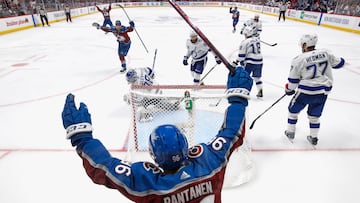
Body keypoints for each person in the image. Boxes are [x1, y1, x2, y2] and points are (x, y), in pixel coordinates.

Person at [61, 66, 253, 202]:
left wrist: (82, 138)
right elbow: (230, 133)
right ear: (185, 145)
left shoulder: (148, 185)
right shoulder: (211, 161)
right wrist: (238, 100)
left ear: (154, 157)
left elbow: (105, 168)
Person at [284, 34, 345, 145]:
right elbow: (339, 63)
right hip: (322, 92)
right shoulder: (326, 53)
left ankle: (290, 132)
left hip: (305, 92)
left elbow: (292, 83)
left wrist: (288, 90)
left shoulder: (298, 59)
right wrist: (342, 61)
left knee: (292, 112)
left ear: (305, 45)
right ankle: (314, 137)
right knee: (314, 116)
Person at [235, 25, 264, 98]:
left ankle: (244, 92)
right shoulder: (257, 39)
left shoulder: (245, 42)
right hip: (260, 61)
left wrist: (236, 62)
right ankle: (260, 90)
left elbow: (241, 56)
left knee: (245, 77)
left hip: (250, 62)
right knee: (257, 78)